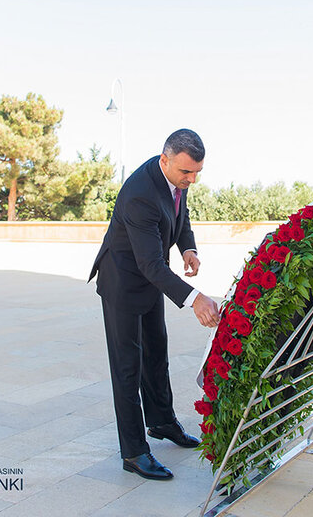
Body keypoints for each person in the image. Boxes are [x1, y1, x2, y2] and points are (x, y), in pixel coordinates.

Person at [89, 128, 221, 481]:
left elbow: (180, 216)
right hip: (123, 284)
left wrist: (188, 247)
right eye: (185, 173)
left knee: (157, 353)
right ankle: (133, 452)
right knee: (128, 367)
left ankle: (162, 422)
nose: (191, 180)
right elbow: (149, 264)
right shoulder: (139, 194)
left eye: (197, 173)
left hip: (150, 281)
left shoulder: (176, 179)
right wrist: (194, 299)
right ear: (165, 160)